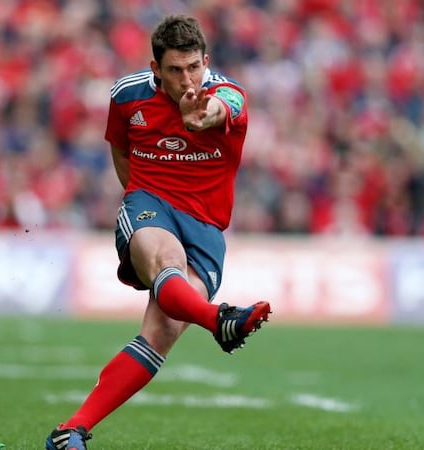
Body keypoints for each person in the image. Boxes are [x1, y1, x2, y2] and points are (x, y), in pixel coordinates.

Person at [45, 15, 271, 450]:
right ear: (155, 68)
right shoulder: (126, 95)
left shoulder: (227, 94)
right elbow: (119, 147)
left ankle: (67, 433)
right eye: (175, 70)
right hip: (150, 203)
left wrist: (200, 118)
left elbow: (222, 109)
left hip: (206, 227)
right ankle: (218, 319)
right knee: (168, 262)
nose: (187, 79)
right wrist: (138, 197)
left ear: (206, 61)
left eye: (194, 67)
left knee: (161, 333)